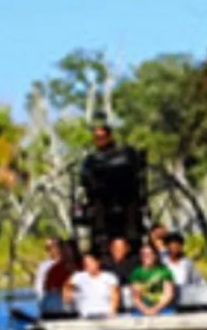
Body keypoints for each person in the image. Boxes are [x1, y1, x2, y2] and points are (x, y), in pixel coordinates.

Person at [78, 122, 146, 251]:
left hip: (126, 198)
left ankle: (132, 237)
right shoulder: (91, 159)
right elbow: (84, 177)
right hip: (101, 200)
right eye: (96, 138)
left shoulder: (126, 152)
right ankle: (101, 238)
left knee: (128, 197)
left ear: (110, 137)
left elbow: (135, 169)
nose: (99, 140)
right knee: (97, 201)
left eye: (102, 137)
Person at [66, 251, 120, 318]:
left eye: (90, 262)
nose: (88, 265)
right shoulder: (78, 277)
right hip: (85, 316)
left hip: (105, 315)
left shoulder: (109, 277)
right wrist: (68, 295)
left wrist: (112, 314)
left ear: (98, 262)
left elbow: (115, 298)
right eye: (85, 263)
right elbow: (67, 286)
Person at [128, 242, 176, 316]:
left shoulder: (164, 271)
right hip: (142, 308)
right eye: (144, 254)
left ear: (155, 255)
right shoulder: (136, 273)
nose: (147, 256)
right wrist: (146, 310)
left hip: (163, 307)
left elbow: (168, 294)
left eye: (150, 253)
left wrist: (155, 309)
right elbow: (136, 297)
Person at [33, 237, 77, 317]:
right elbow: (39, 287)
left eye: (51, 247)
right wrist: (42, 302)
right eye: (47, 248)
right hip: (52, 304)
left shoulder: (72, 265)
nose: (49, 250)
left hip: (71, 305)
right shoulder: (44, 266)